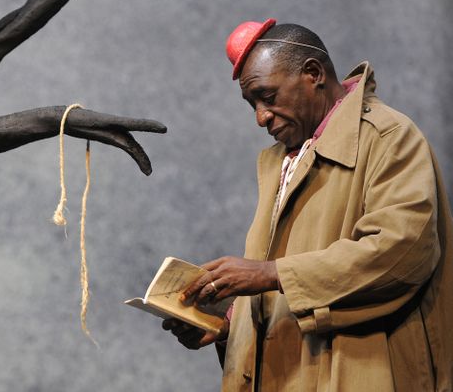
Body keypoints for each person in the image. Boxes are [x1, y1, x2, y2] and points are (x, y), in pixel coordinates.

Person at [162, 19, 453, 391]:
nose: (260, 117)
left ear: (313, 73)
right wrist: (227, 325)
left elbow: (402, 252)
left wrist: (269, 273)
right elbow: (293, 288)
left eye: (268, 97)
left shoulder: (388, 138)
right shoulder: (286, 159)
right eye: (252, 104)